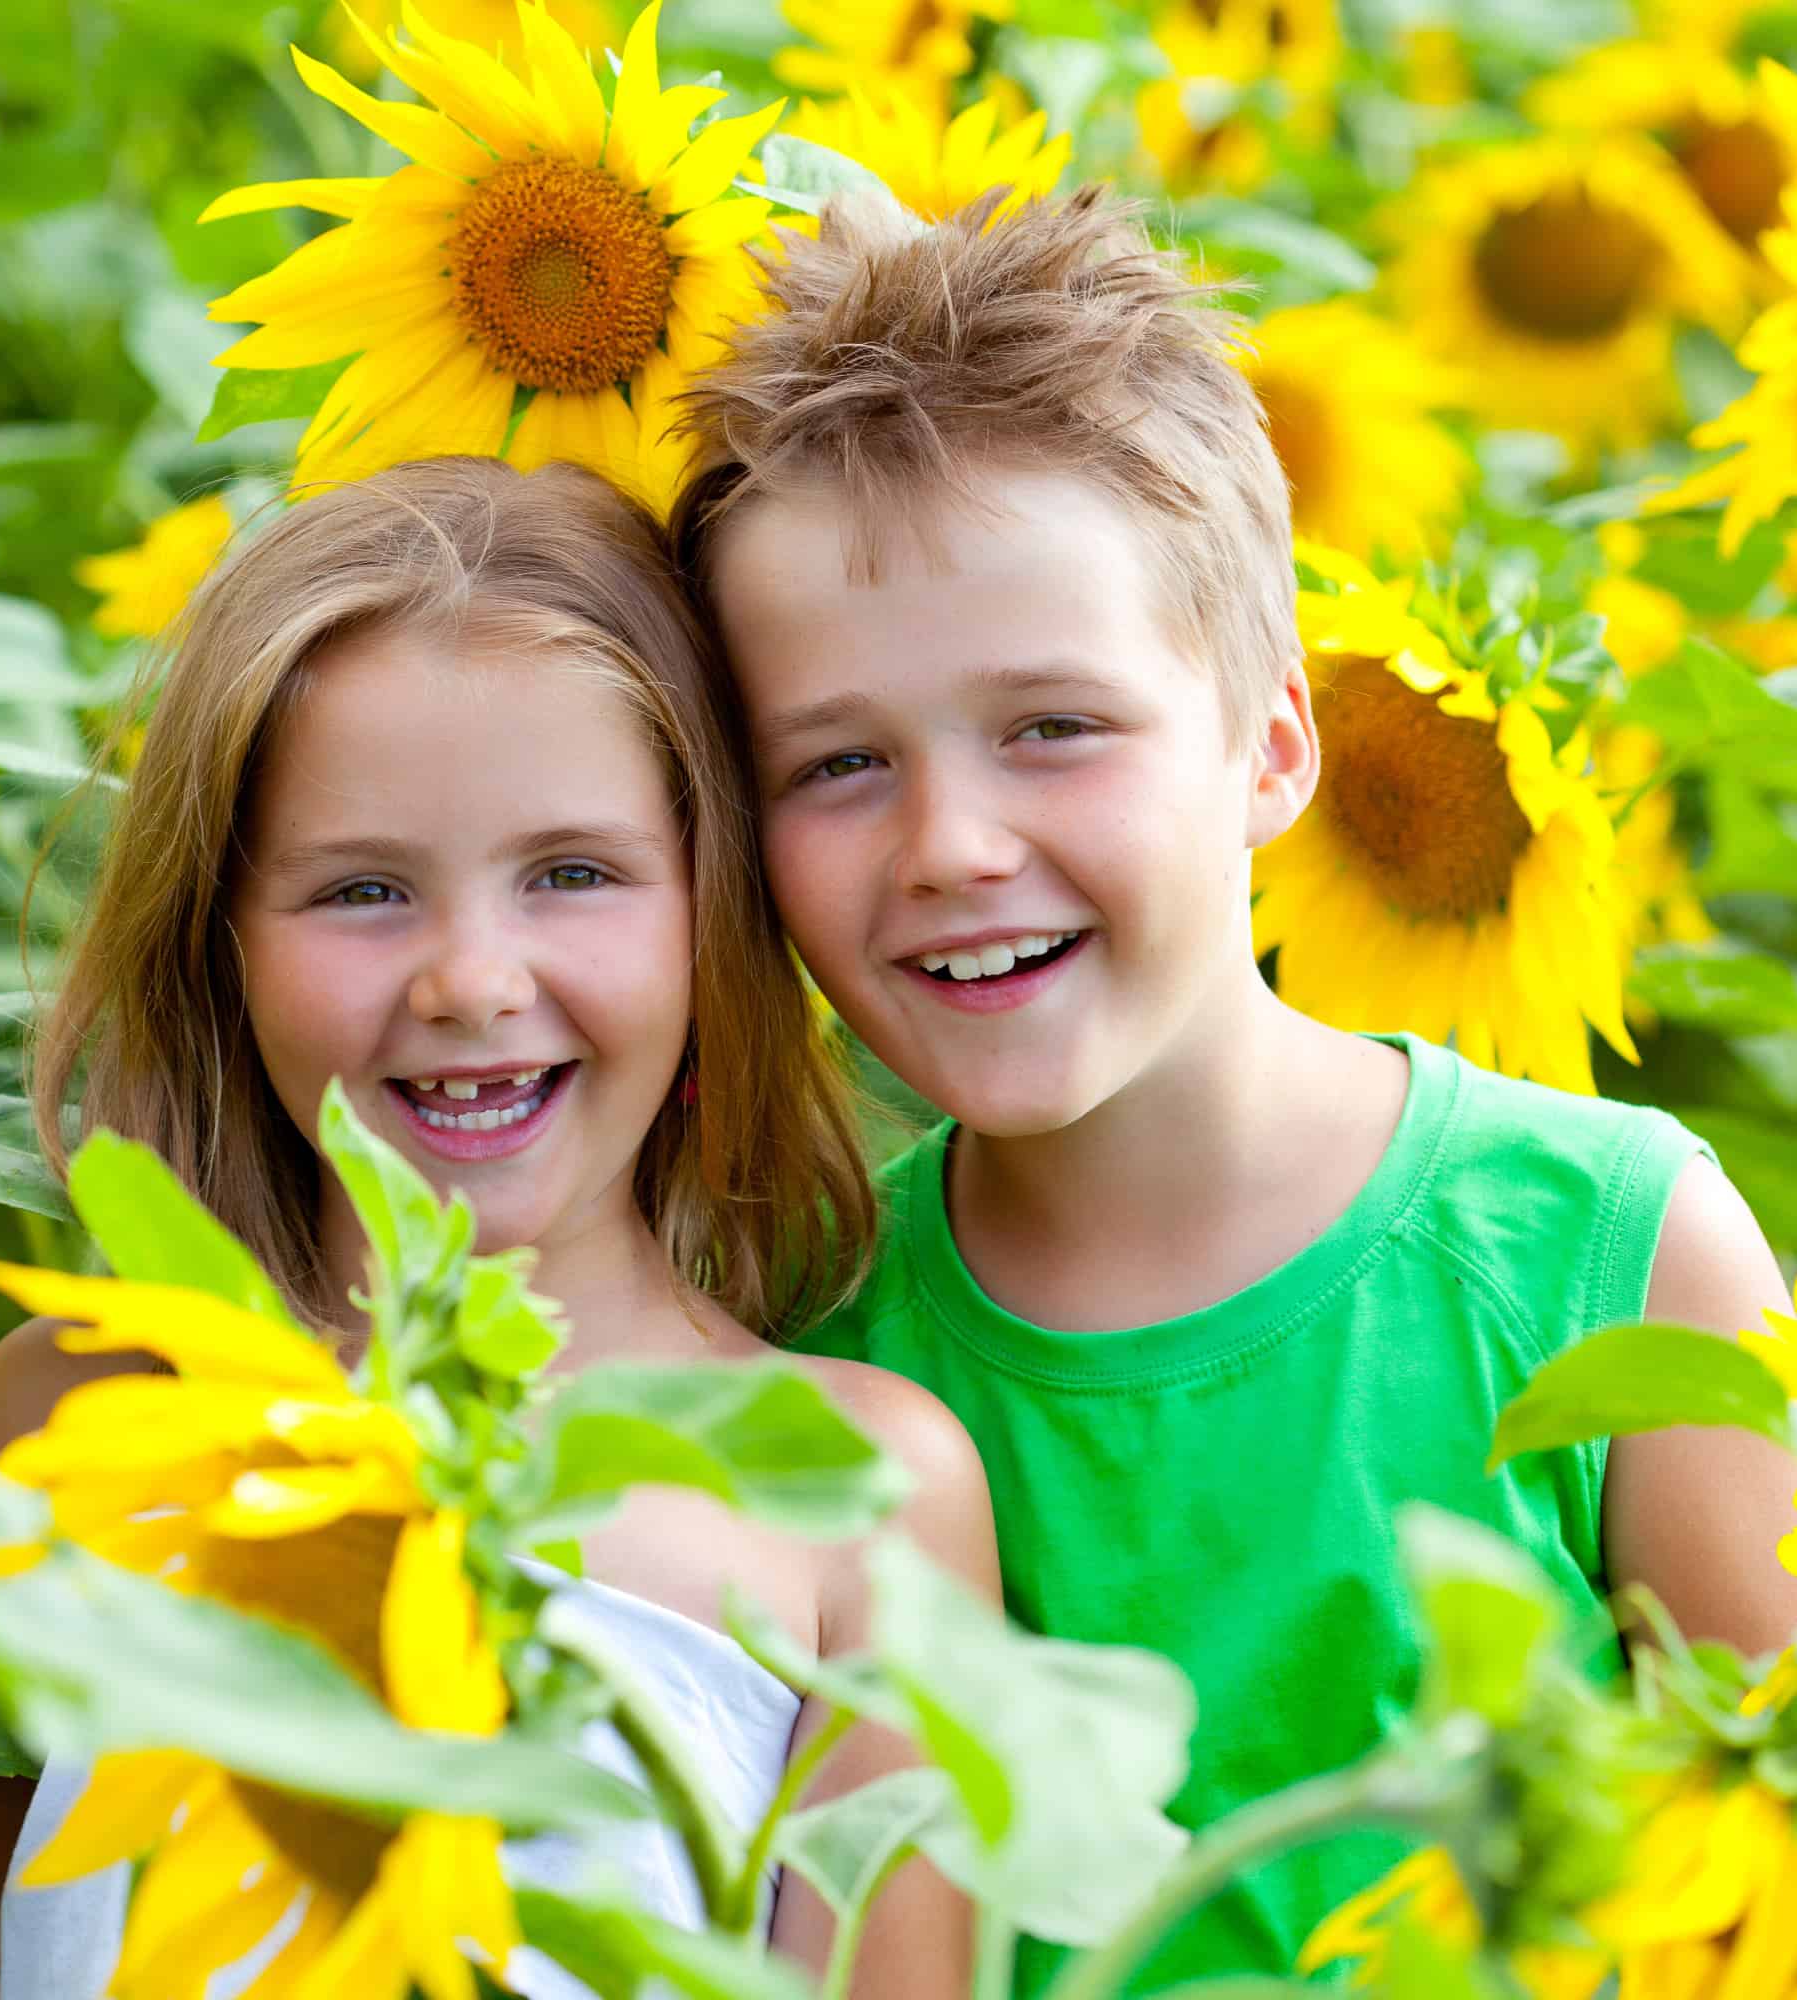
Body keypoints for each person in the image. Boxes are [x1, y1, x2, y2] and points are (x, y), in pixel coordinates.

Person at [667, 186, 1797, 1993]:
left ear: (1274, 745)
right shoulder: (791, 1344)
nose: (953, 846)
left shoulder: (1607, 1252)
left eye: (1054, 726)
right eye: (838, 763)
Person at [0, 457, 997, 2000]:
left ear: (713, 913)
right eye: (361, 892)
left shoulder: (855, 1496)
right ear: (222, 938)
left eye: (574, 874)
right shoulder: (73, 1414)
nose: (470, 980)